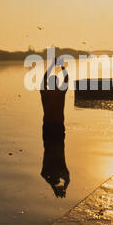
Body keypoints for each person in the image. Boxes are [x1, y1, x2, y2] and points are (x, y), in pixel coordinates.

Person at [40, 58, 70, 197]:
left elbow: (42, 81)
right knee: (57, 150)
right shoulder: (60, 94)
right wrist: (61, 68)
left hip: (48, 129)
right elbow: (67, 80)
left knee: (48, 150)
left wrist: (51, 66)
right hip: (57, 128)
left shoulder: (45, 94)